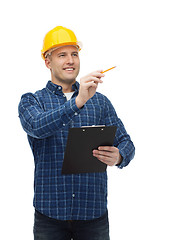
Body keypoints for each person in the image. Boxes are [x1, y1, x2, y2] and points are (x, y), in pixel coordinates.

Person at [18, 26, 135, 240]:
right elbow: (37, 126)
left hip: (93, 216)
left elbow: (127, 142)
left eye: (74, 54)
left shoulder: (100, 102)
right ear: (47, 62)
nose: (70, 60)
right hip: (49, 217)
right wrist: (77, 102)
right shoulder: (32, 101)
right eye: (62, 55)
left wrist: (119, 155)